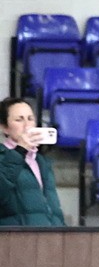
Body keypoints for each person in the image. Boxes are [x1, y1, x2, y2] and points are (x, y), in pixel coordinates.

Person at [0, 97, 66, 226]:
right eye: (19, 120)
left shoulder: (41, 161)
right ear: (4, 127)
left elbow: (53, 206)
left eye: (30, 119)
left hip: (49, 238)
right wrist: (19, 151)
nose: (27, 125)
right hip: (15, 238)